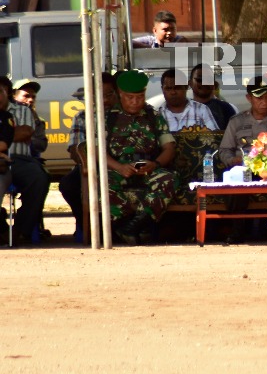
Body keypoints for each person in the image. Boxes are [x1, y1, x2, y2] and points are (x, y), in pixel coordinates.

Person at [102, 70, 178, 245]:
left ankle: (132, 227)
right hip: (118, 169)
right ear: (120, 94)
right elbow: (98, 151)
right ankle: (130, 226)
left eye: (140, 97)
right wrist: (119, 167)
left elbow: (169, 148)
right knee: (100, 185)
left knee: (169, 178)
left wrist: (155, 163)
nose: (135, 102)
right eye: (130, 98)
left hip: (148, 169)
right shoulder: (107, 118)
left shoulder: (153, 116)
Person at [60, 73, 120, 239]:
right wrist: (87, 165)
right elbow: (75, 149)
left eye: (109, 94)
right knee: (68, 185)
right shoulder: (82, 117)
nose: (105, 100)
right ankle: (84, 222)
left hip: (122, 165)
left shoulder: (125, 114)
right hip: (92, 165)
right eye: (100, 95)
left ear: (117, 93)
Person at [0, 76, 50, 245]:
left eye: (1, 91)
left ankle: (20, 229)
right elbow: (18, 133)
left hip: (19, 160)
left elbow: (26, 132)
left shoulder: (22, 110)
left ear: (7, 92)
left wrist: (4, 138)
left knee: (39, 178)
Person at [189, 65, 237, 130]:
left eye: (208, 79)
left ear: (214, 84)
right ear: (190, 83)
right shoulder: (182, 108)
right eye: (199, 80)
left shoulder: (226, 109)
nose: (204, 83)